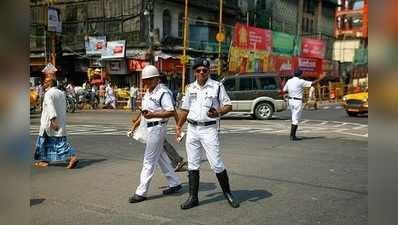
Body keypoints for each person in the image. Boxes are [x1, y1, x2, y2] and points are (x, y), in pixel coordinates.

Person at [176, 59, 240, 209]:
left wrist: (217, 111)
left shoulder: (217, 86)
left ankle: (228, 194)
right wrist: (178, 126)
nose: (201, 73)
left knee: (216, 163)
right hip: (192, 129)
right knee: (192, 164)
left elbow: (228, 106)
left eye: (204, 70)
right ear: (195, 72)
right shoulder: (190, 88)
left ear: (208, 71)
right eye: (198, 70)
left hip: (209, 130)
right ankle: (193, 197)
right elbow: (185, 109)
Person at [128, 65, 182, 203]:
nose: (147, 82)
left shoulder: (163, 92)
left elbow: (171, 111)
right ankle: (175, 182)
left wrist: (154, 115)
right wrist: (137, 122)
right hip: (149, 127)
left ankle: (141, 192)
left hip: (157, 128)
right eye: (145, 80)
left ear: (156, 79)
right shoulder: (148, 92)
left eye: (150, 79)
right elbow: (145, 112)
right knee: (160, 157)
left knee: (149, 160)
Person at [33, 78, 79, 169]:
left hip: (49, 121)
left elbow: (50, 107)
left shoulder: (48, 93)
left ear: (50, 83)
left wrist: (52, 121)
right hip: (60, 120)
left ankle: (72, 157)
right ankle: (44, 160)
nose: (44, 83)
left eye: (45, 82)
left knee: (57, 142)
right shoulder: (61, 93)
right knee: (46, 141)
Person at [283, 69, 326, 141]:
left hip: (290, 100)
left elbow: (284, 90)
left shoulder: (289, 81)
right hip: (297, 101)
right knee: (295, 119)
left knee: (294, 117)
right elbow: (312, 83)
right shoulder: (300, 81)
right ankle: (292, 136)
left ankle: (292, 135)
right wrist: (321, 78)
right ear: (300, 75)